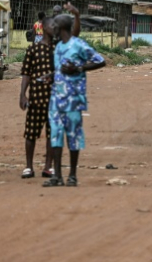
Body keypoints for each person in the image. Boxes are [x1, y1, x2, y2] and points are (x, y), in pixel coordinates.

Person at [43, 14, 106, 187]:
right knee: (55, 136)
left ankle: (72, 175)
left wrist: (78, 68)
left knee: (73, 136)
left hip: (73, 100)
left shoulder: (78, 45)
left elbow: (100, 61)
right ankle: (57, 176)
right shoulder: (58, 48)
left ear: (61, 27)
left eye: (54, 25)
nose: (52, 28)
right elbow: (60, 70)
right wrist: (51, 76)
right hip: (56, 99)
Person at [19, 15, 56, 179]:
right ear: (44, 27)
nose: (55, 28)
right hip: (36, 98)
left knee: (52, 134)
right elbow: (26, 73)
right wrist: (22, 94)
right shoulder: (33, 49)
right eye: (52, 25)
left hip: (55, 99)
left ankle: (48, 167)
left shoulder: (59, 49)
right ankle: (28, 166)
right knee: (31, 133)